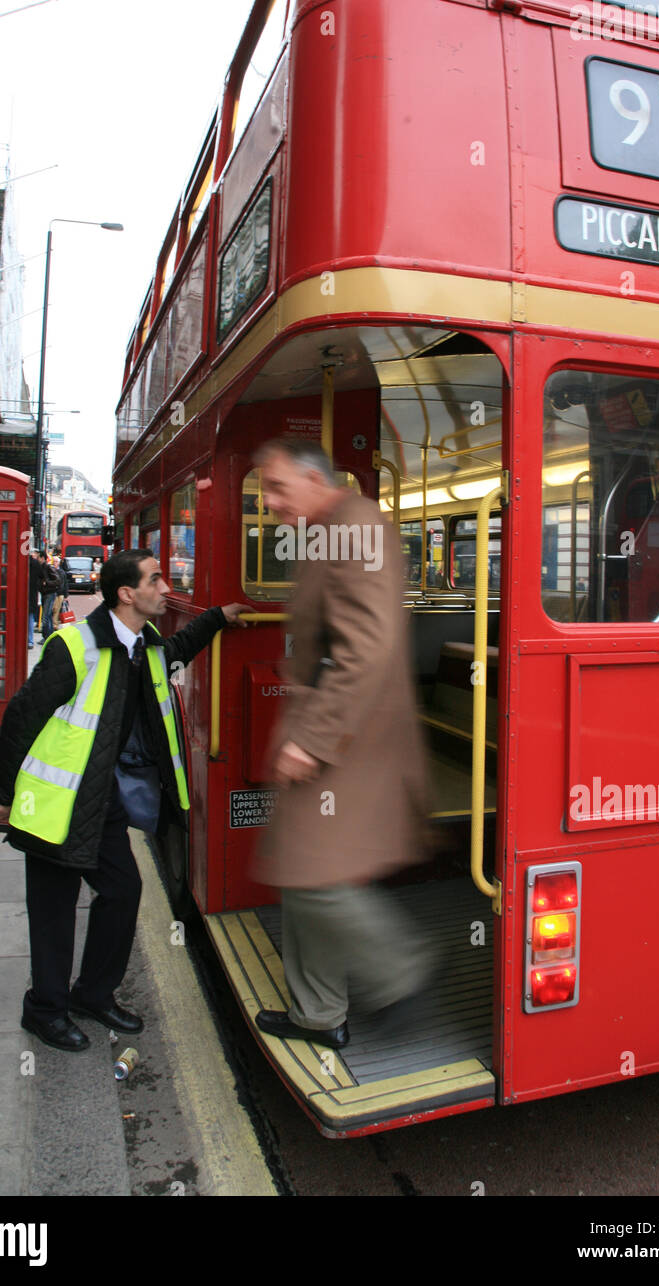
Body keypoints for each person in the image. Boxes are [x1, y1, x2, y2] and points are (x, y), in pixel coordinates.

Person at [0, 548, 247, 1052]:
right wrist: (6, 797)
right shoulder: (74, 647)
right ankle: (44, 1010)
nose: (166, 588)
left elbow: (174, 653)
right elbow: (20, 719)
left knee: (122, 893)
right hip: (56, 806)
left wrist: (216, 618)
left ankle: (93, 993)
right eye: (156, 580)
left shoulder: (142, 643)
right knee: (54, 911)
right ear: (127, 593)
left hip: (101, 804)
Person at [251, 438, 432, 1049]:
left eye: (276, 488)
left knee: (314, 878)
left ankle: (401, 973)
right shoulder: (327, 528)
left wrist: (313, 740)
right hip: (326, 732)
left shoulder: (355, 524)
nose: (270, 503)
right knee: (302, 871)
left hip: (348, 742)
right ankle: (318, 1014)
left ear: (311, 477)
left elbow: (367, 646)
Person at [39, 555, 59, 640]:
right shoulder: (41, 567)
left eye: (38, 557)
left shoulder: (48, 567)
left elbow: (58, 580)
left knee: (45, 617)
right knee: (48, 616)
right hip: (44, 594)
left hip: (49, 594)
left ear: (42, 558)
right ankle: (50, 637)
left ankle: (46, 637)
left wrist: (46, 583)